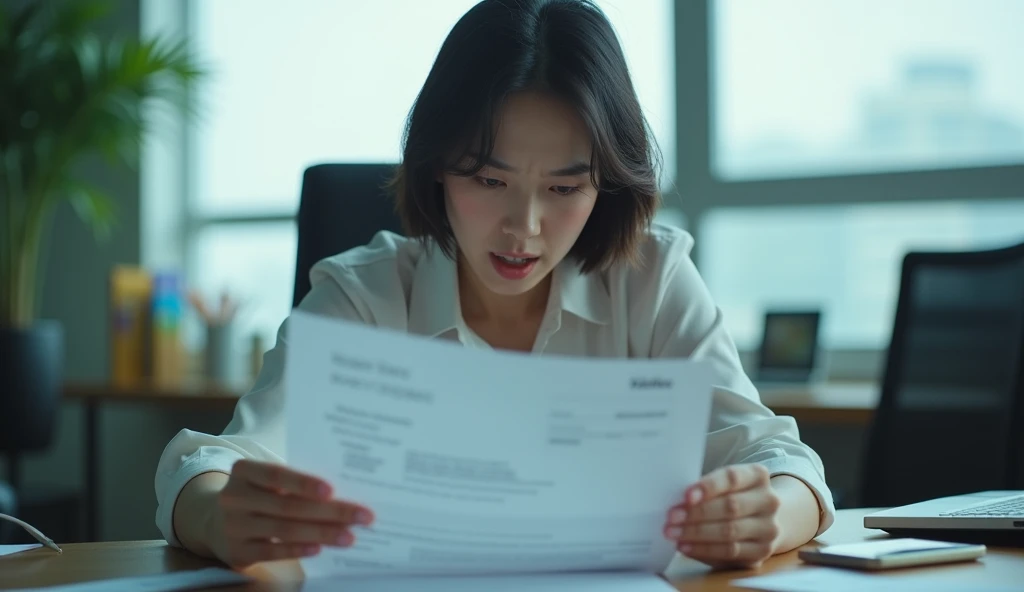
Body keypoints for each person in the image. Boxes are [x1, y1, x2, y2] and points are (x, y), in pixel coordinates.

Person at [156, 0, 834, 572]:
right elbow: (213, 462)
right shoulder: (365, 295)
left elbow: (779, 457)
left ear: (607, 184)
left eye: (565, 187)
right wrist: (218, 515)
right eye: (488, 180)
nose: (525, 229)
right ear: (437, 167)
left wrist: (771, 514)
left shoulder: (650, 278)